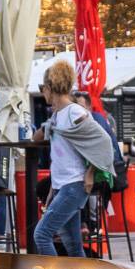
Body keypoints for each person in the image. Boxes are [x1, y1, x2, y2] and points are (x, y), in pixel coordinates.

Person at [33, 59, 114, 255]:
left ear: (51, 87)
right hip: (64, 186)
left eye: (43, 87)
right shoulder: (57, 115)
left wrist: (90, 173)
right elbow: (40, 140)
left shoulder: (74, 112)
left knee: (41, 234)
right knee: (73, 245)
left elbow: (103, 141)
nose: (42, 91)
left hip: (75, 184)